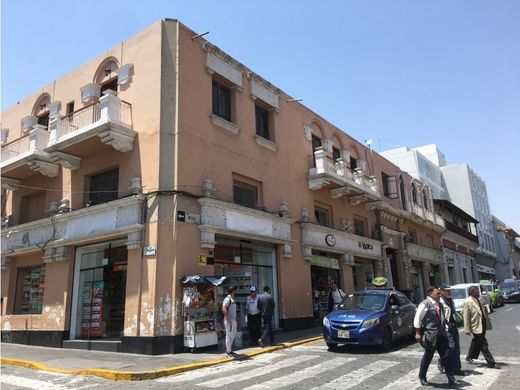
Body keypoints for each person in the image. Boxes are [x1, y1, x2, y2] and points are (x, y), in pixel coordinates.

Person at [413, 286, 457, 387]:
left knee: (446, 355)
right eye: (437, 293)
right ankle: (422, 376)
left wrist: (446, 322)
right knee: (428, 356)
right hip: (430, 335)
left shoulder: (440, 304)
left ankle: (451, 377)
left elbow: (441, 317)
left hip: (441, 334)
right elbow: (417, 319)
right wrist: (417, 333)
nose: (440, 294)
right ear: (431, 294)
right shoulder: (425, 304)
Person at [463, 285, 498, 368]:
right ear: (472, 293)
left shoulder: (479, 300)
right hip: (476, 326)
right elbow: (466, 316)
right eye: (476, 292)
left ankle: (469, 357)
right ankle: (491, 362)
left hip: (483, 325)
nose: (478, 294)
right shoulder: (468, 301)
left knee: (476, 342)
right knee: (483, 344)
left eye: (478, 292)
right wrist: (467, 329)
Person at [438, 284, 465, 376]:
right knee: (451, 347)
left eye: (450, 290)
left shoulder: (450, 300)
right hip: (446, 328)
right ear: (441, 291)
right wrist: (446, 322)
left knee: (456, 348)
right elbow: (440, 315)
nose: (449, 292)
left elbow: (452, 312)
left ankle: (457, 368)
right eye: (447, 290)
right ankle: (442, 361)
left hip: (453, 326)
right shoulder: (440, 301)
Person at [222, 286, 237, 358]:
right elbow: (224, 309)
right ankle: (227, 352)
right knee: (229, 335)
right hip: (229, 320)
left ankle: (229, 350)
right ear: (233, 291)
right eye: (235, 290)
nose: (236, 291)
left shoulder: (232, 299)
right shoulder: (227, 299)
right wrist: (228, 318)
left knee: (233, 334)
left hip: (233, 320)